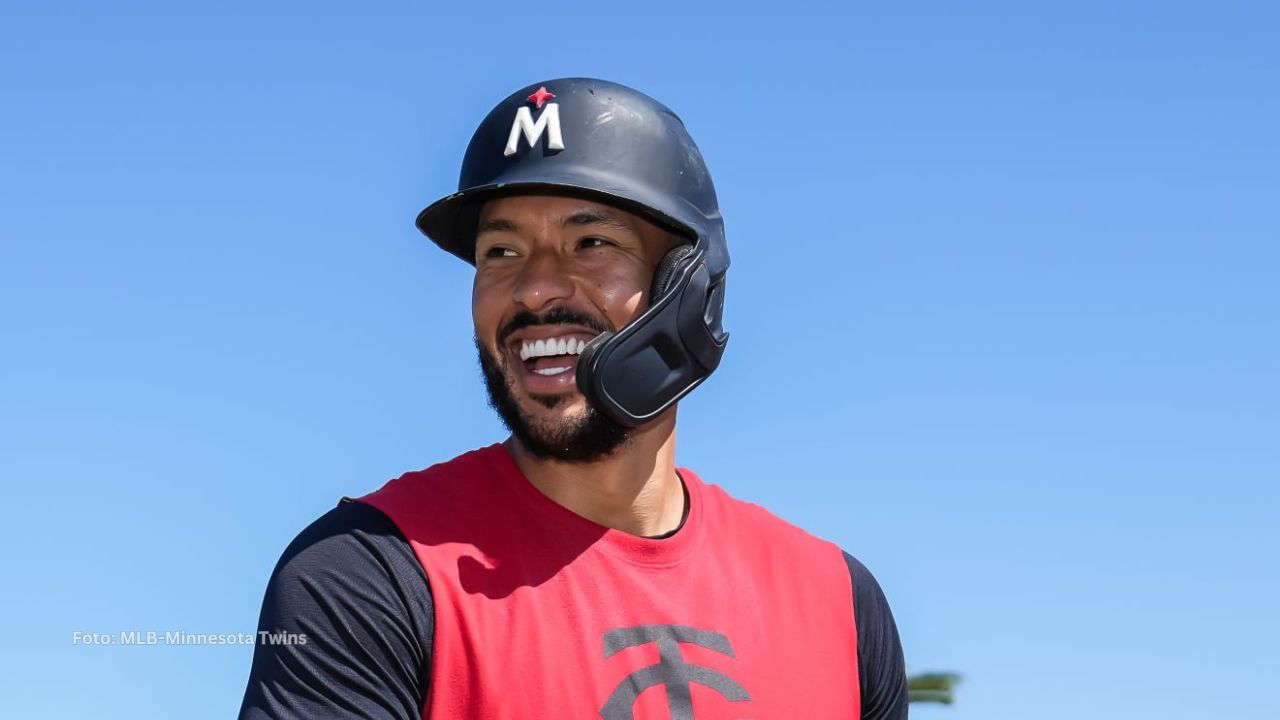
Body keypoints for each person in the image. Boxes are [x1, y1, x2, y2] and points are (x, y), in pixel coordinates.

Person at [238, 77, 908, 719]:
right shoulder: (363, 574)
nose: (533, 289)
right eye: (500, 251)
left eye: (591, 243)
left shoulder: (839, 604)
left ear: (689, 287)